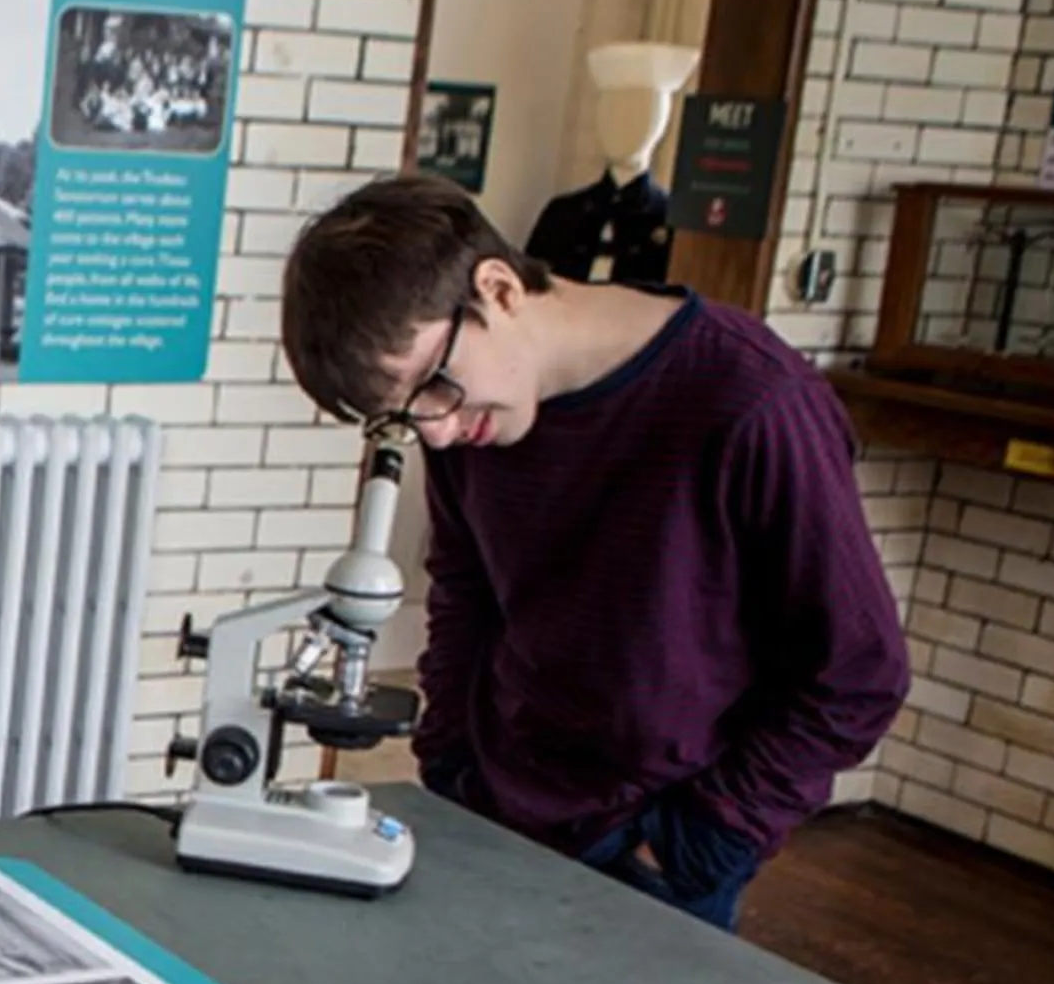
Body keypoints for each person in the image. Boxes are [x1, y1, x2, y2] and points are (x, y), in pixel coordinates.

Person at [279, 173, 908, 932]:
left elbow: (859, 671)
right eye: (405, 417)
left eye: (434, 388)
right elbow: (467, 591)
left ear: (501, 288)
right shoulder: (471, 416)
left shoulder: (754, 401)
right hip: (491, 807)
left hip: (656, 849)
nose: (437, 433)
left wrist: (708, 836)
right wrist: (449, 765)